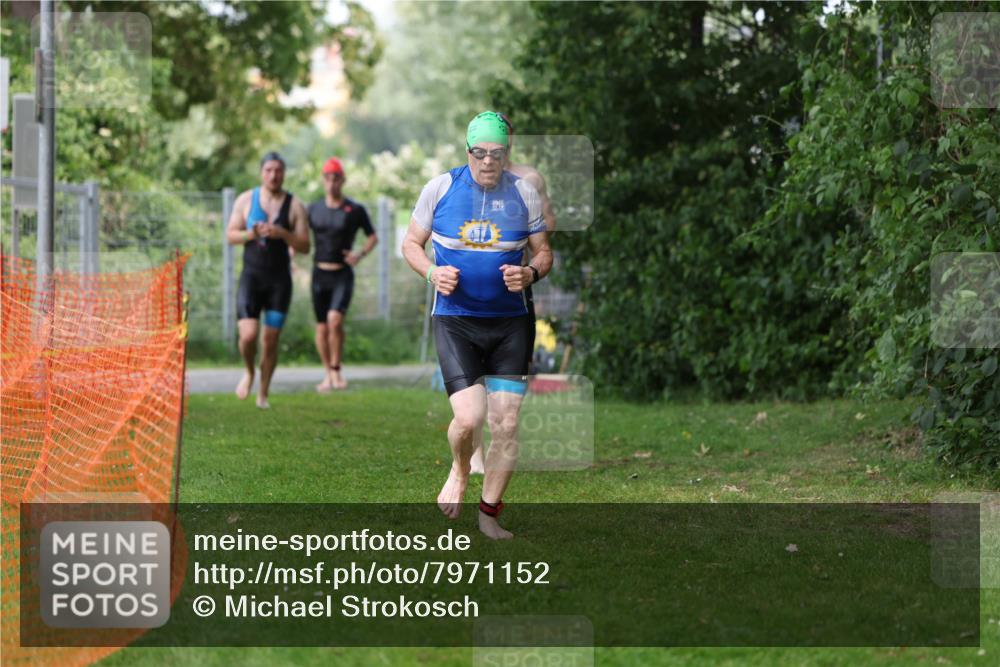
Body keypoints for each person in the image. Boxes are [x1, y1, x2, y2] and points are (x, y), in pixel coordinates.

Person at [402, 111, 553, 540]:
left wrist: (531, 273)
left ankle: (489, 515)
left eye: (497, 153)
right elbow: (411, 244)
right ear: (467, 151)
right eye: (480, 152)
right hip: (456, 321)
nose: (488, 161)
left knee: (506, 423)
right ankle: (460, 468)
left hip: (510, 325)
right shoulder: (440, 188)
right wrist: (432, 272)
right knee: (469, 419)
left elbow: (544, 252)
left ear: (507, 153)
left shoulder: (524, 193)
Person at [469, 112, 557, 474]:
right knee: (472, 374)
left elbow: (548, 225)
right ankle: (474, 454)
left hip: (515, 287)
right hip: (472, 291)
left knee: (512, 371)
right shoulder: (469, 178)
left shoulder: (530, 178)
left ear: (510, 141)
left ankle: (499, 442)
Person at [225, 152, 310, 409]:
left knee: (270, 340)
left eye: (278, 171)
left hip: (279, 282)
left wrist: (283, 234)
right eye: (269, 170)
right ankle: (249, 370)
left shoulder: (295, 206)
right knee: (248, 336)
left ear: (284, 173)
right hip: (251, 278)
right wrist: (251, 234)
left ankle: (263, 393)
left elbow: (305, 246)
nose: (273, 175)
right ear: (262, 172)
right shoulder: (245, 200)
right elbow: (230, 235)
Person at [308, 157, 378, 391]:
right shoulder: (313, 209)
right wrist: (291, 254)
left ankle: (337, 369)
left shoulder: (354, 209)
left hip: (342, 274)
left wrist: (360, 254)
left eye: (336, 178)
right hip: (319, 273)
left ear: (343, 180)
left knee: (335, 320)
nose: (332, 183)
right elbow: (300, 233)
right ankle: (328, 373)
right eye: (328, 178)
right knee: (321, 326)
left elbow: (372, 237)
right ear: (323, 180)